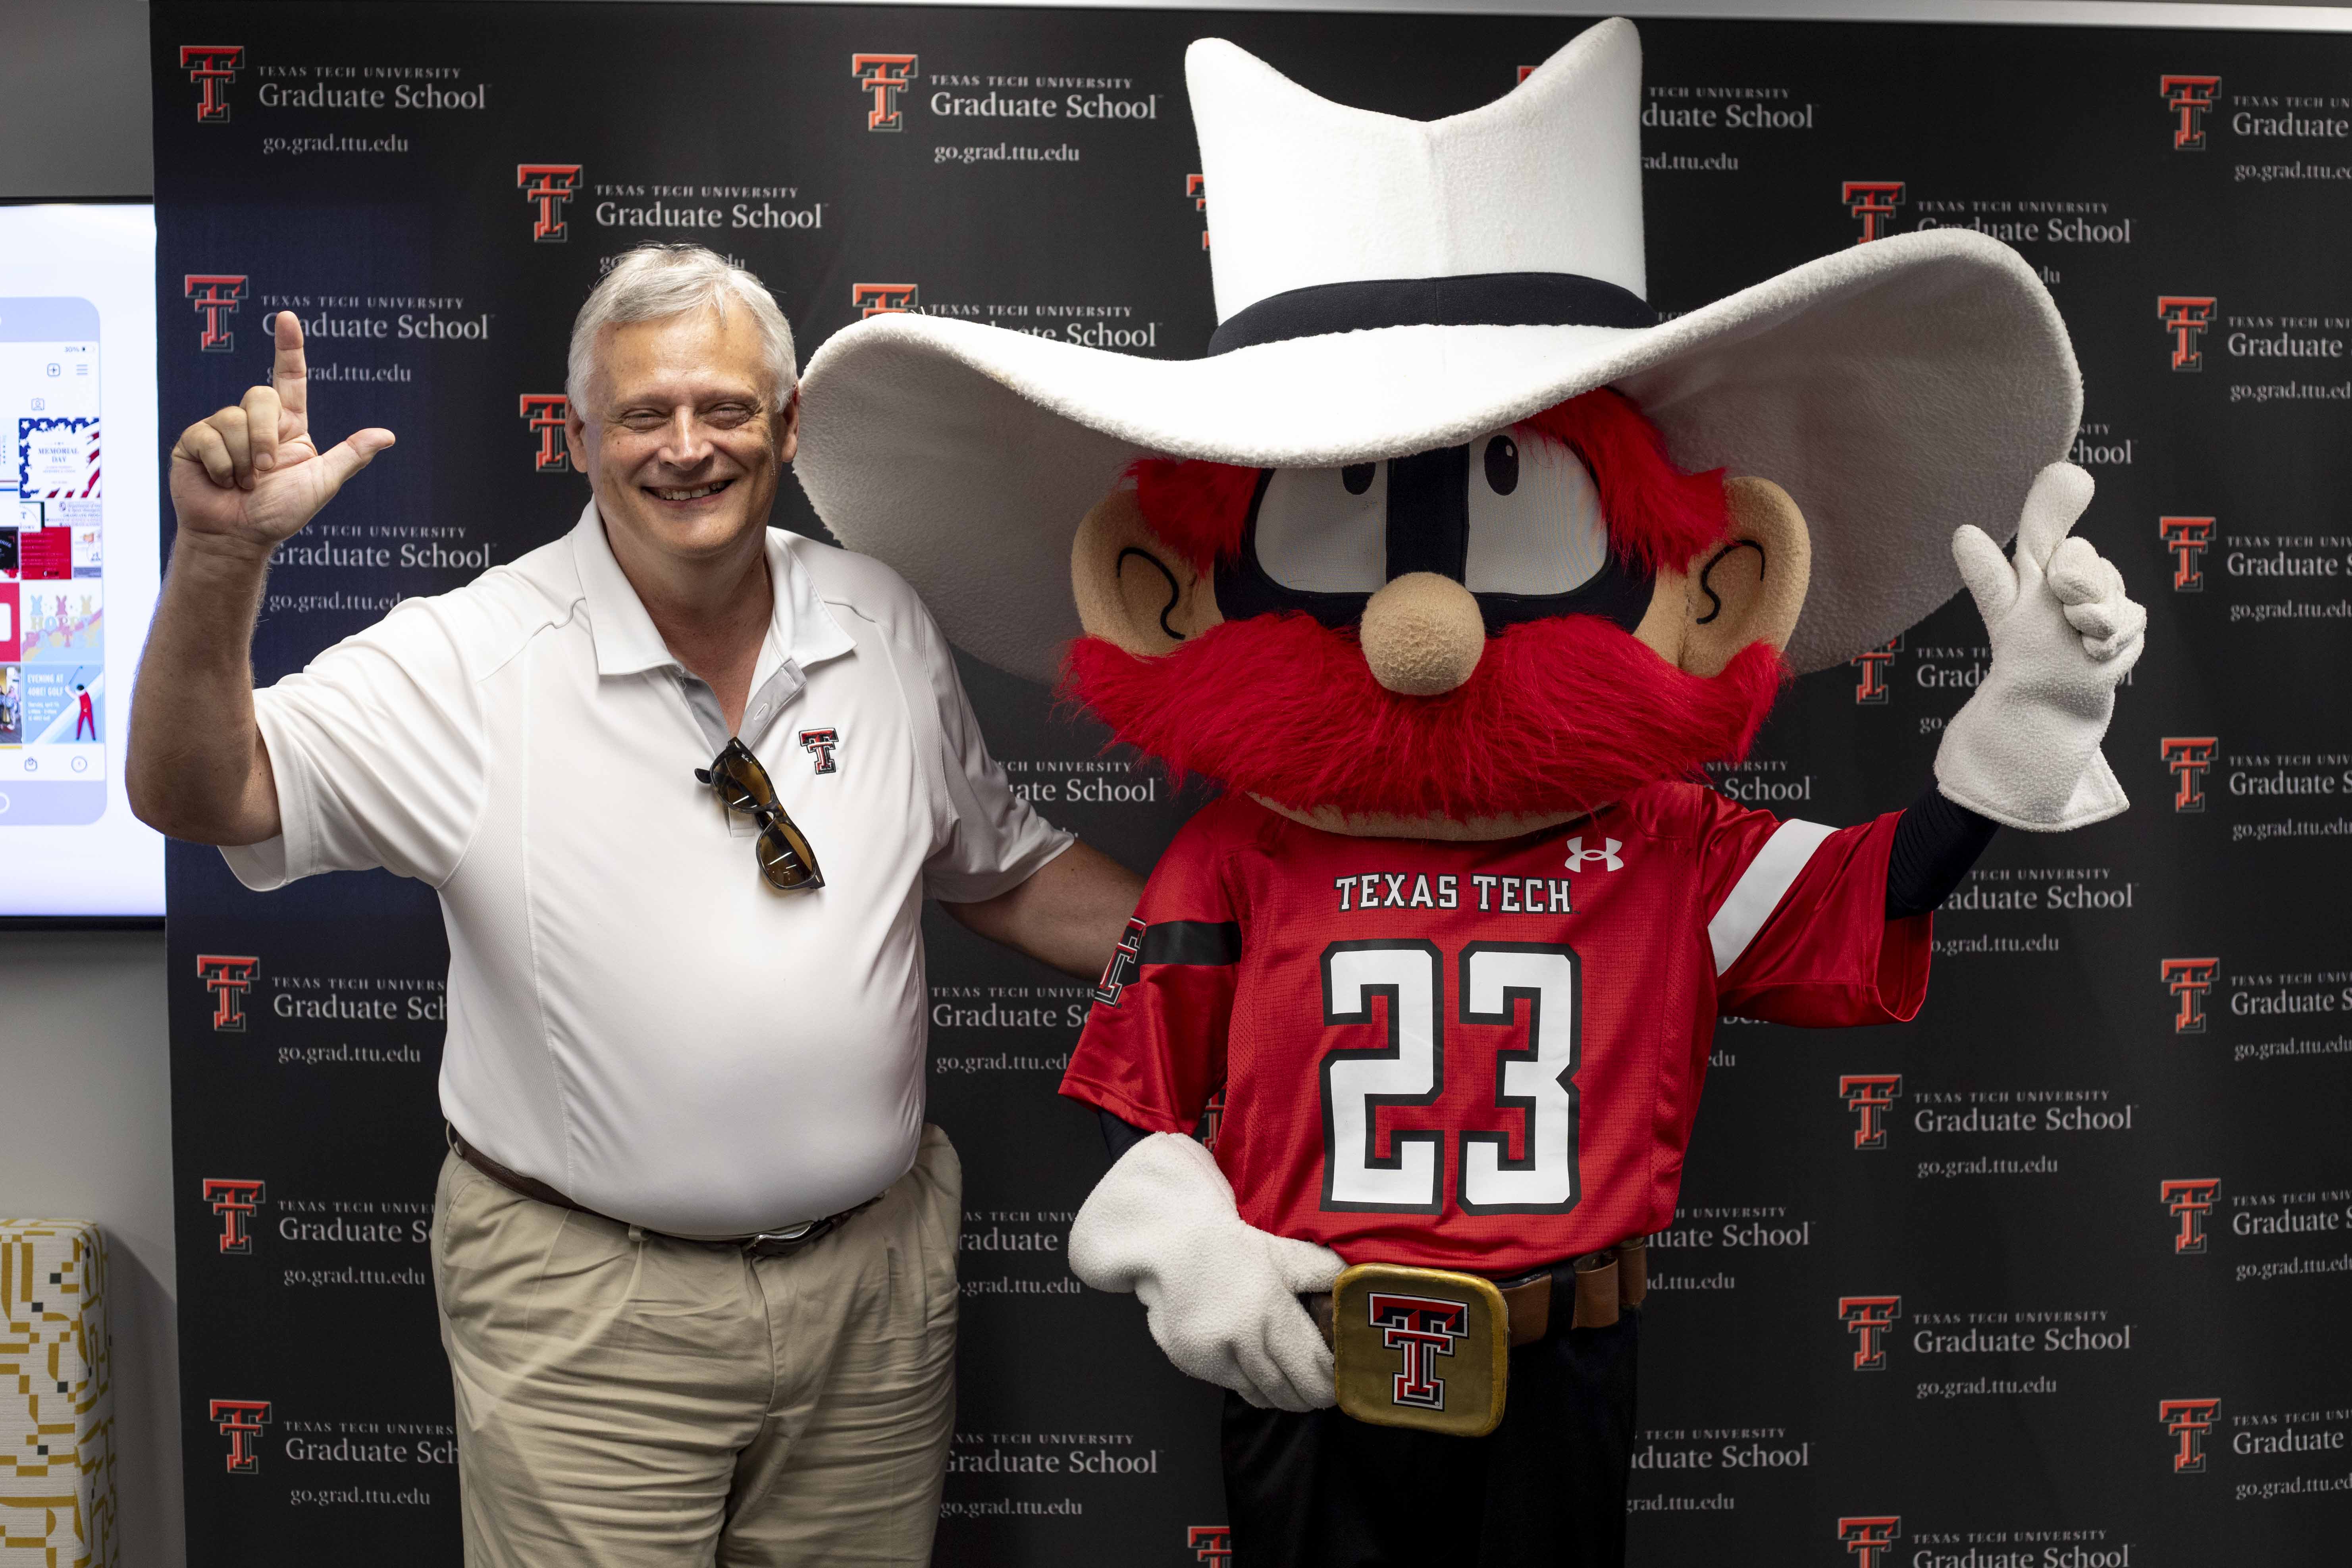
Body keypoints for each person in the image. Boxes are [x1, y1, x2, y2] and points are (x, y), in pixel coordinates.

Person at [129, 243, 1144, 1567]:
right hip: (589, 1320)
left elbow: (1005, 873)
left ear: (786, 427)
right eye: (643, 414)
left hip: (873, 1303)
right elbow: (201, 792)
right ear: (579, 438)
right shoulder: (473, 657)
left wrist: (1262, 947)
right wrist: (218, 560)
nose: (687, 449)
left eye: (725, 408)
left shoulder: (882, 622)